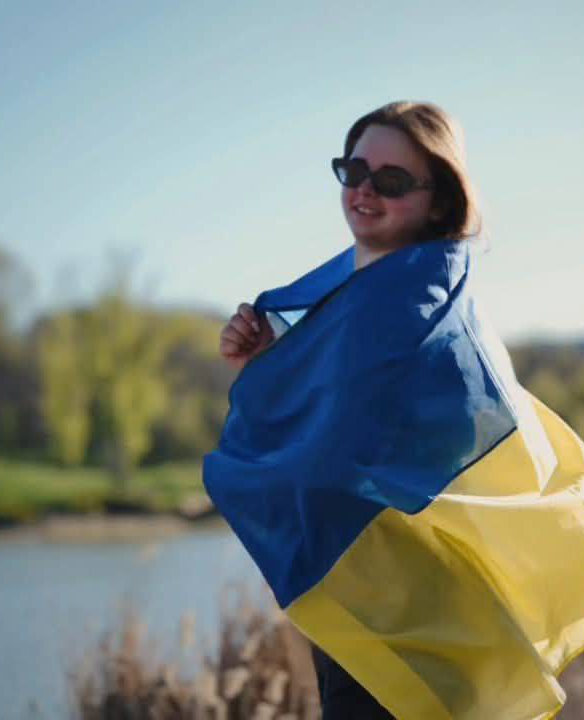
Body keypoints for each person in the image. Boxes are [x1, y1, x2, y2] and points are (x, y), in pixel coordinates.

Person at [217, 100, 482, 719]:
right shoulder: (373, 301)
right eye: (354, 170)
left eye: (391, 180)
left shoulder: (412, 308)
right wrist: (272, 364)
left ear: (438, 200)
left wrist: (277, 375)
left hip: (400, 601)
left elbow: (347, 450)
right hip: (369, 588)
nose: (364, 190)